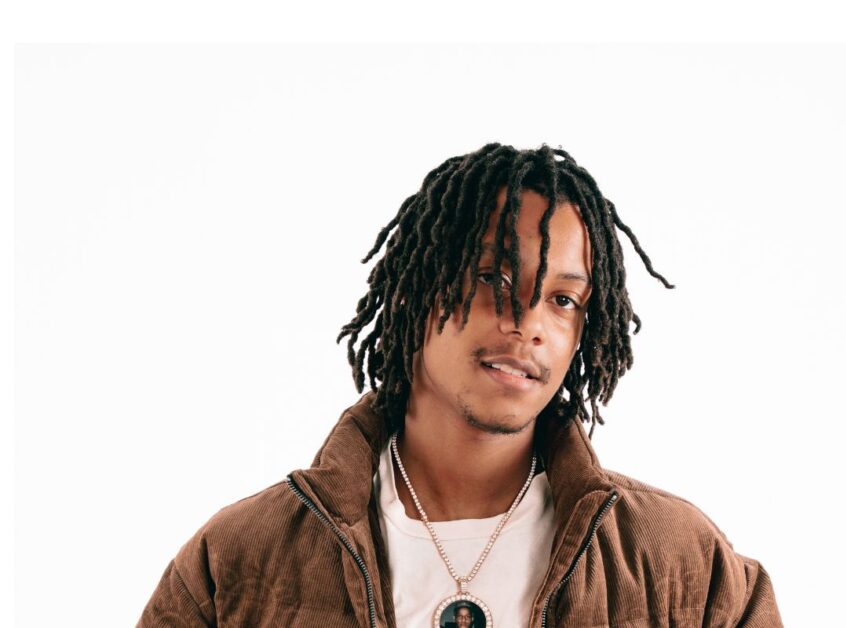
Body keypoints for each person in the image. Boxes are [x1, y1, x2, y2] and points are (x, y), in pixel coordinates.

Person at [138, 143, 784, 627]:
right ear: (414, 292)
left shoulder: (679, 564)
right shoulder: (240, 562)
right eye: (494, 279)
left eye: (563, 300)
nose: (529, 323)